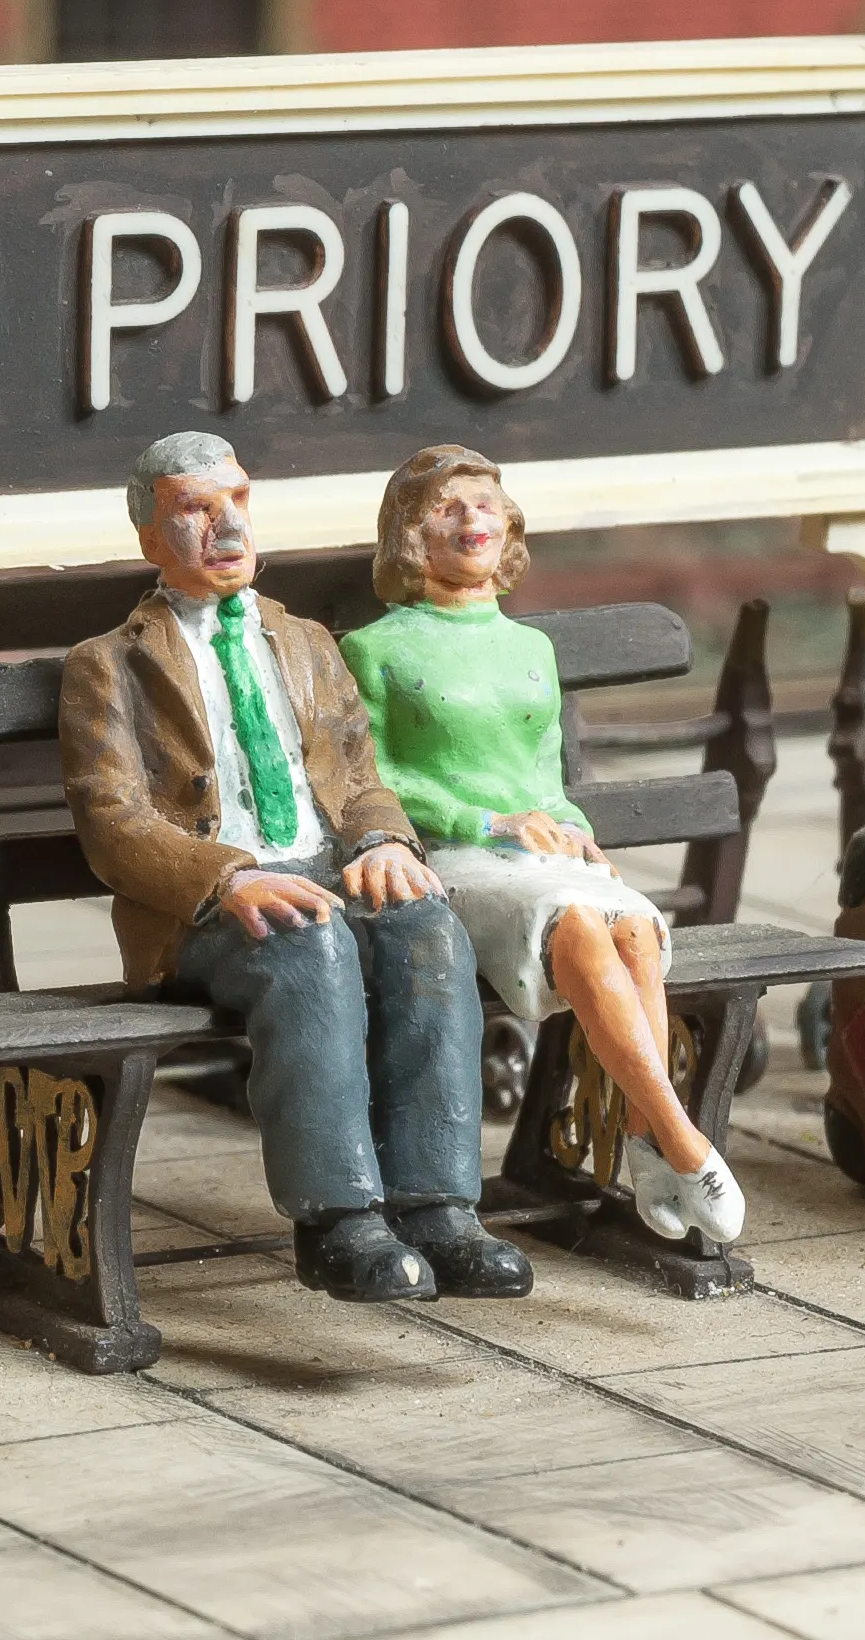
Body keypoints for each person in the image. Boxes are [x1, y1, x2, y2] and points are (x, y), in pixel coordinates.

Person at [56, 433, 529, 1305]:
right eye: (197, 509)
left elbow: (359, 779)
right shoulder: (109, 665)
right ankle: (339, 1221)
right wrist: (229, 877)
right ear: (151, 537)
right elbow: (113, 823)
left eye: (236, 500)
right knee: (309, 946)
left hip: (324, 867)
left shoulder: (308, 641)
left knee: (426, 931)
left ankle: (440, 1209)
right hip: (207, 906)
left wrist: (385, 841)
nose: (226, 524)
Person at [338, 445, 746, 1248]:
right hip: (450, 860)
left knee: (632, 924)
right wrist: (485, 822)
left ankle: (645, 1143)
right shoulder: (377, 649)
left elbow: (544, 778)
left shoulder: (531, 651)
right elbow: (371, 781)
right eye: (449, 508)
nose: (472, 520)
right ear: (413, 535)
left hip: (539, 859)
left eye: (485, 503)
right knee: (577, 925)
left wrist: (580, 836)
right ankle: (683, 1139)